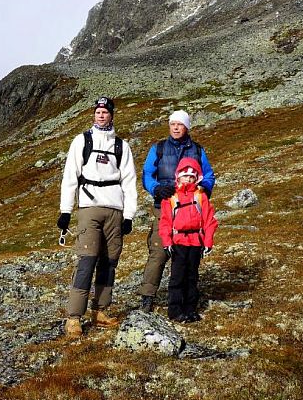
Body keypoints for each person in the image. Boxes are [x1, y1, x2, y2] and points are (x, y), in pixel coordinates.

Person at [57, 96, 138, 338]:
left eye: (105, 112)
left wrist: (129, 215)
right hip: (89, 207)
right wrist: (65, 211)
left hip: (115, 209)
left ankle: (101, 310)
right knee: (87, 260)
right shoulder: (81, 141)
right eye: (98, 111)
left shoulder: (122, 146)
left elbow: (130, 182)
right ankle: (74, 317)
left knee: (109, 261)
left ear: (112, 115)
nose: (101, 115)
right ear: (94, 115)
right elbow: (70, 177)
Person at [139, 110, 215, 312]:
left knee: (189, 259)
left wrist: (204, 190)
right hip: (164, 207)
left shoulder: (198, 150)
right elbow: (147, 174)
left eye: (179, 124)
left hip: (191, 211)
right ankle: (148, 296)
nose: (175, 127)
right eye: (172, 124)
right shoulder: (159, 148)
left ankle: (186, 300)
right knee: (159, 252)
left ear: (187, 127)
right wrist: (156, 188)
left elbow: (208, 175)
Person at [158, 157, 218, 322]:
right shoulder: (171, 197)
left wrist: (208, 241)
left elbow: (209, 220)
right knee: (177, 277)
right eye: (185, 175)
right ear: (178, 176)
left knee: (192, 277)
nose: (188, 179)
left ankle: (190, 309)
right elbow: (165, 222)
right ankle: (175, 310)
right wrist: (167, 241)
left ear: (197, 178)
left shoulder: (201, 196)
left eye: (192, 176)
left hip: (196, 242)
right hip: (178, 243)